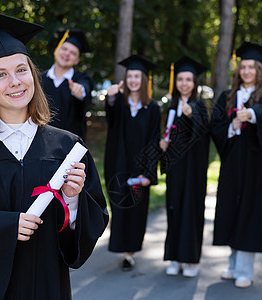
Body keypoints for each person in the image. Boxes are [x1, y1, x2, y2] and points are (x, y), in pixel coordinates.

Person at [0, 12, 108, 299]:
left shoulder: (67, 148)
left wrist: (72, 200)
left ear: (33, 74)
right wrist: (5, 227)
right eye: (0, 74)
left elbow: (87, 232)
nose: (15, 82)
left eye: (21, 70)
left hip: (48, 286)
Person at [210, 42, 262, 288]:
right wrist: (232, 127)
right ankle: (233, 263)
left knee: (250, 209)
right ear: (238, 70)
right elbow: (215, 126)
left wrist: (250, 115)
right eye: (243, 67)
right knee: (231, 208)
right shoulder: (226, 97)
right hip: (232, 161)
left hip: (256, 163)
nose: (247, 71)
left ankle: (245, 269)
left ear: (259, 70)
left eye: (252, 67)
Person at [104, 54, 161, 271]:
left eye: (137, 76)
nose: (133, 80)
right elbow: (111, 119)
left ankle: (130, 253)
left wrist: (148, 172)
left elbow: (155, 140)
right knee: (120, 206)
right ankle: (120, 243)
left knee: (136, 208)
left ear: (144, 79)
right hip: (117, 162)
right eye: (130, 76)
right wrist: (110, 98)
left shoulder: (153, 108)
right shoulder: (118, 102)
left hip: (141, 165)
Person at [159, 55, 209, 278]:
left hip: (194, 169)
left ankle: (191, 260)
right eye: (180, 79)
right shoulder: (171, 107)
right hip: (175, 168)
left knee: (191, 211)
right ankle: (174, 258)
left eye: (189, 79)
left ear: (195, 83)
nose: (184, 83)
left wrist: (192, 116)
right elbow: (170, 134)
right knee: (174, 209)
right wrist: (163, 142)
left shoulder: (199, 106)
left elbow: (203, 136)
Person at [41, 29, 94, 140]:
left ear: (77, 60)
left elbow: (85, 88)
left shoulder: (81, 79)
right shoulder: (39, 79)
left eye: (73, 53)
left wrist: (80, 91)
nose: (67, 54)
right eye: (64, 49)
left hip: (70, 144)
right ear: (56, 50)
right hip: (41, 141)